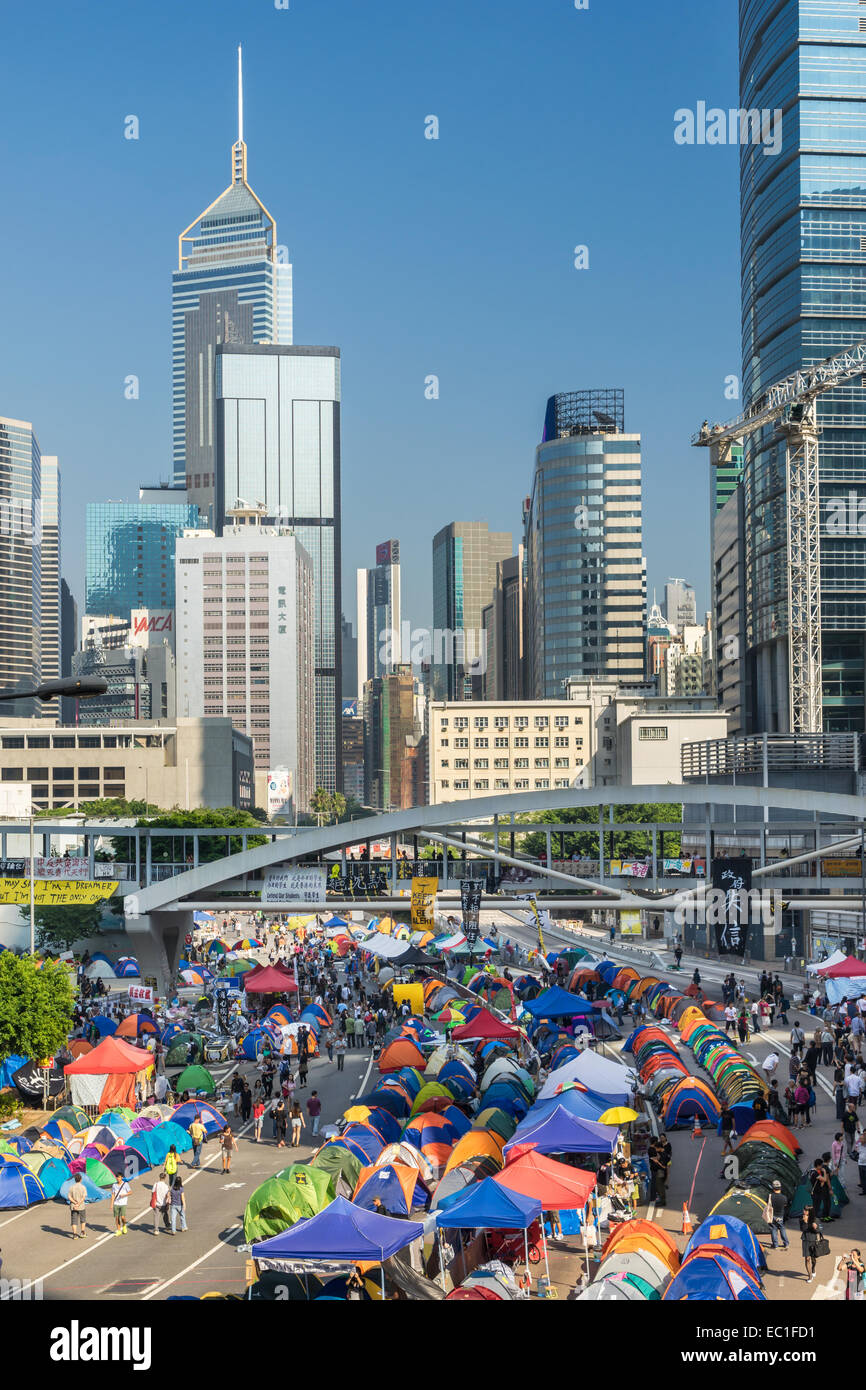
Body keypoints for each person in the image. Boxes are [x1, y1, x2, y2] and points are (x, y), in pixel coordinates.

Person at [800, 1205, 822, 1283]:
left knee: (813, 1258)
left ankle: (813, 1269)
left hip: (813, 1240)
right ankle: (810, 1276)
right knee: (807, 1259)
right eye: (804, 1210)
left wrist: (815, 1227)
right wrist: (805, 1222)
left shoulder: (816, 1220)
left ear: (810, 1212)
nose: (804, 1212)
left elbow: (819, 1231)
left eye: (806, 1210)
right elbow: (802, 1229)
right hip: (805, 1240)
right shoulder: (802, 1219)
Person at [767, 1180, 789, 1251]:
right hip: (780, 1216)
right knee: (782, 1228)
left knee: (773, 1229)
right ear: (780, 1188)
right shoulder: (784, 1197)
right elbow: (785, 1205)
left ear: (773, 1188)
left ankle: (775, 1245)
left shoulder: (770, 1197)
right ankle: (786, 1244)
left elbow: (768, 1205)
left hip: (772, 1215)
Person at [67, 1172, 88, 1240]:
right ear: (81, 1179)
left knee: (74, 1220)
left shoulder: (72, 1187)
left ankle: (75, 1234)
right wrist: (78, 1203)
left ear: (75, 1179)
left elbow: (69, 1196)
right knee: (83, 1219)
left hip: (73, 1206)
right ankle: (82, 1232)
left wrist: (74, 1202)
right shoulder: (83, 1187)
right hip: (81, 1206)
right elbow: (83, 1197)